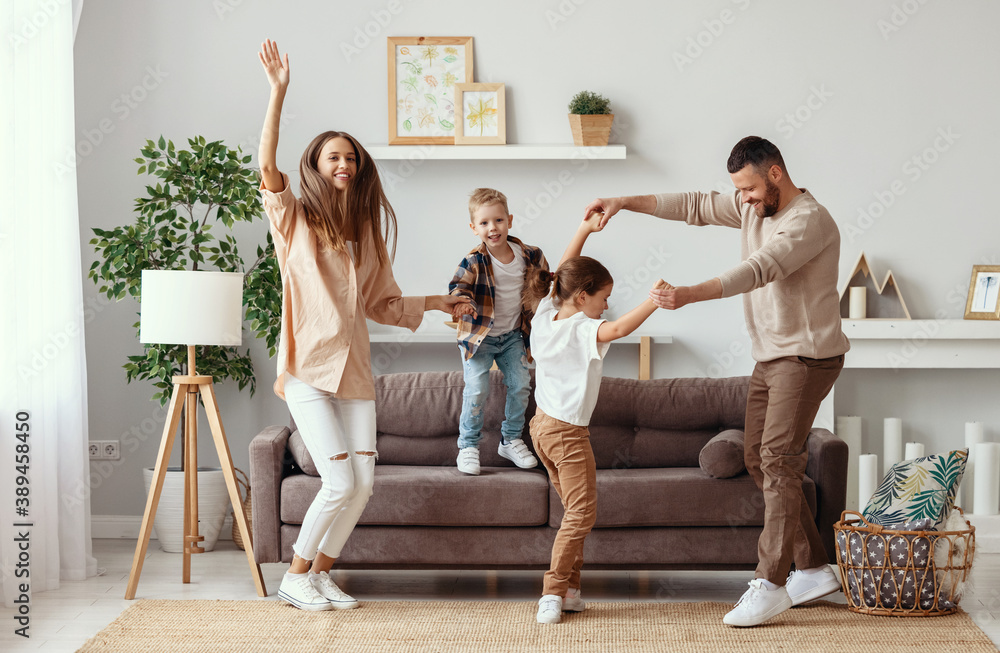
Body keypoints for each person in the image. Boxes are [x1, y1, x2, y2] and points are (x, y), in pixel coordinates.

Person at [584, 136, 850, 628]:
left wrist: (688, 294)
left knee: (778, 458)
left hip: (808, 357)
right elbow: (693, 205)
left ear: (775, 175)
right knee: (756, 454)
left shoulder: (809, 221)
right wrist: (625, 202)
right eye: (739, 192)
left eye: (748, 189)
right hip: (772, 357)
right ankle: (813, 568)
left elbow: (758, 270)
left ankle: (771, 582)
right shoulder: (755, 206)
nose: (743, 200)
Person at [256, 39, 468, 611]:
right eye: (334, 158)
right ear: (317, 167)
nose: (345, 164)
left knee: (364, 486)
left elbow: (384, 304)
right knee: (340, 482)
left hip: (353, 374)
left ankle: (321, 574)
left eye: (351, 158)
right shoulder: (292, 219)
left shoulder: (368, 235)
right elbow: (266, 166)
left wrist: (437, 303)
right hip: (306, 369)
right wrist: (278, 92)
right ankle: (295, 575)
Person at [523, 213, 665, 624]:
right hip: (566, 433)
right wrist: (653, 300)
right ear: (582, 296)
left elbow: (563, 274)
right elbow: (619, 329)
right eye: (603, 297)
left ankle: (569, 589)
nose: (606, 305)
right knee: (582, 513)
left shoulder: (546, 316)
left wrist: (584, 230)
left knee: (573, 511)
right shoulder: (583, 329)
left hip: (541, 429)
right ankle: (551, 591)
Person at [448, 188, 548, 475]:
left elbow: (545, 289)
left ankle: (511, 439)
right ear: (474, 228)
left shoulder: (530, 255)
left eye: (499, 221)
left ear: (510, 220)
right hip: (478, 339)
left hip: (513, 337)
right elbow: (457, 289)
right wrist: (463, 303)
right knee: (477, 389)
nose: (493, 228)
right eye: (484, 223)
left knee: (521, 385)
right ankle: (468, 446)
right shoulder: (473, 262)